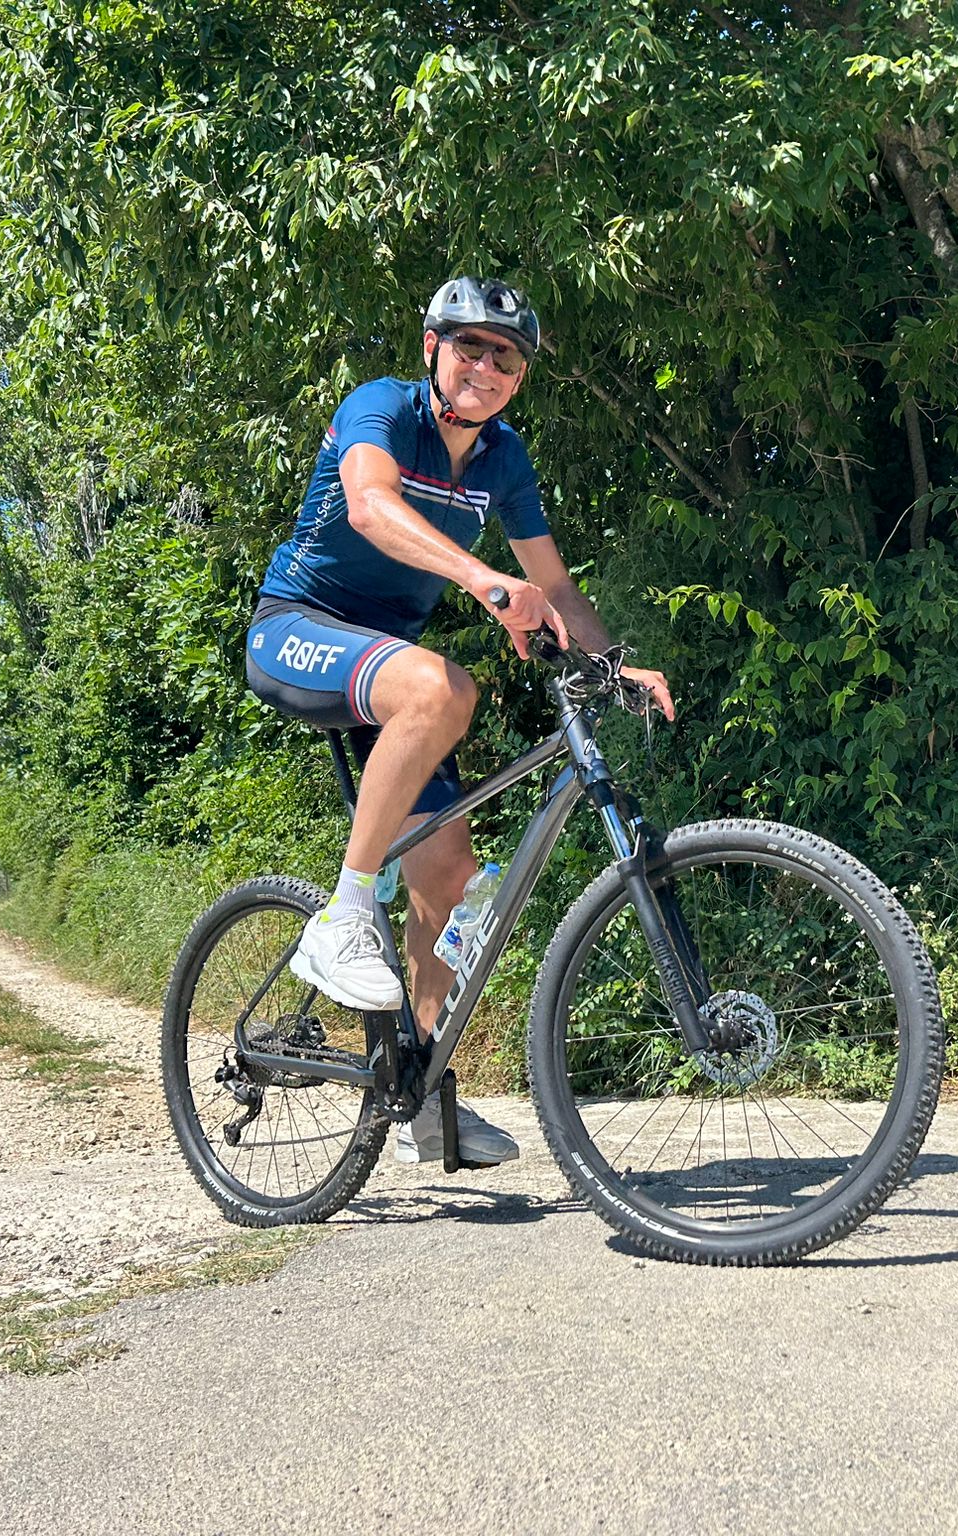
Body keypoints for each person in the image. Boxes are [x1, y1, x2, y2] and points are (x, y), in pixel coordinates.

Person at [245, 275, 675, 1169]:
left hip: (390, 668)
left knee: (452, 886)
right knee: (445, 689)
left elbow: (555, 587)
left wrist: (613, 665)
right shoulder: (381, 409)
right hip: (297, 629)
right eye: (469, 346)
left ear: (520, 378)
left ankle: (419, 1095)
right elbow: (370, 504)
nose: (486, 366)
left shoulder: (503, 459)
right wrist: (483, 581)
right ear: (432, 349)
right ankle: (342, 918)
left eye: (505, 357)